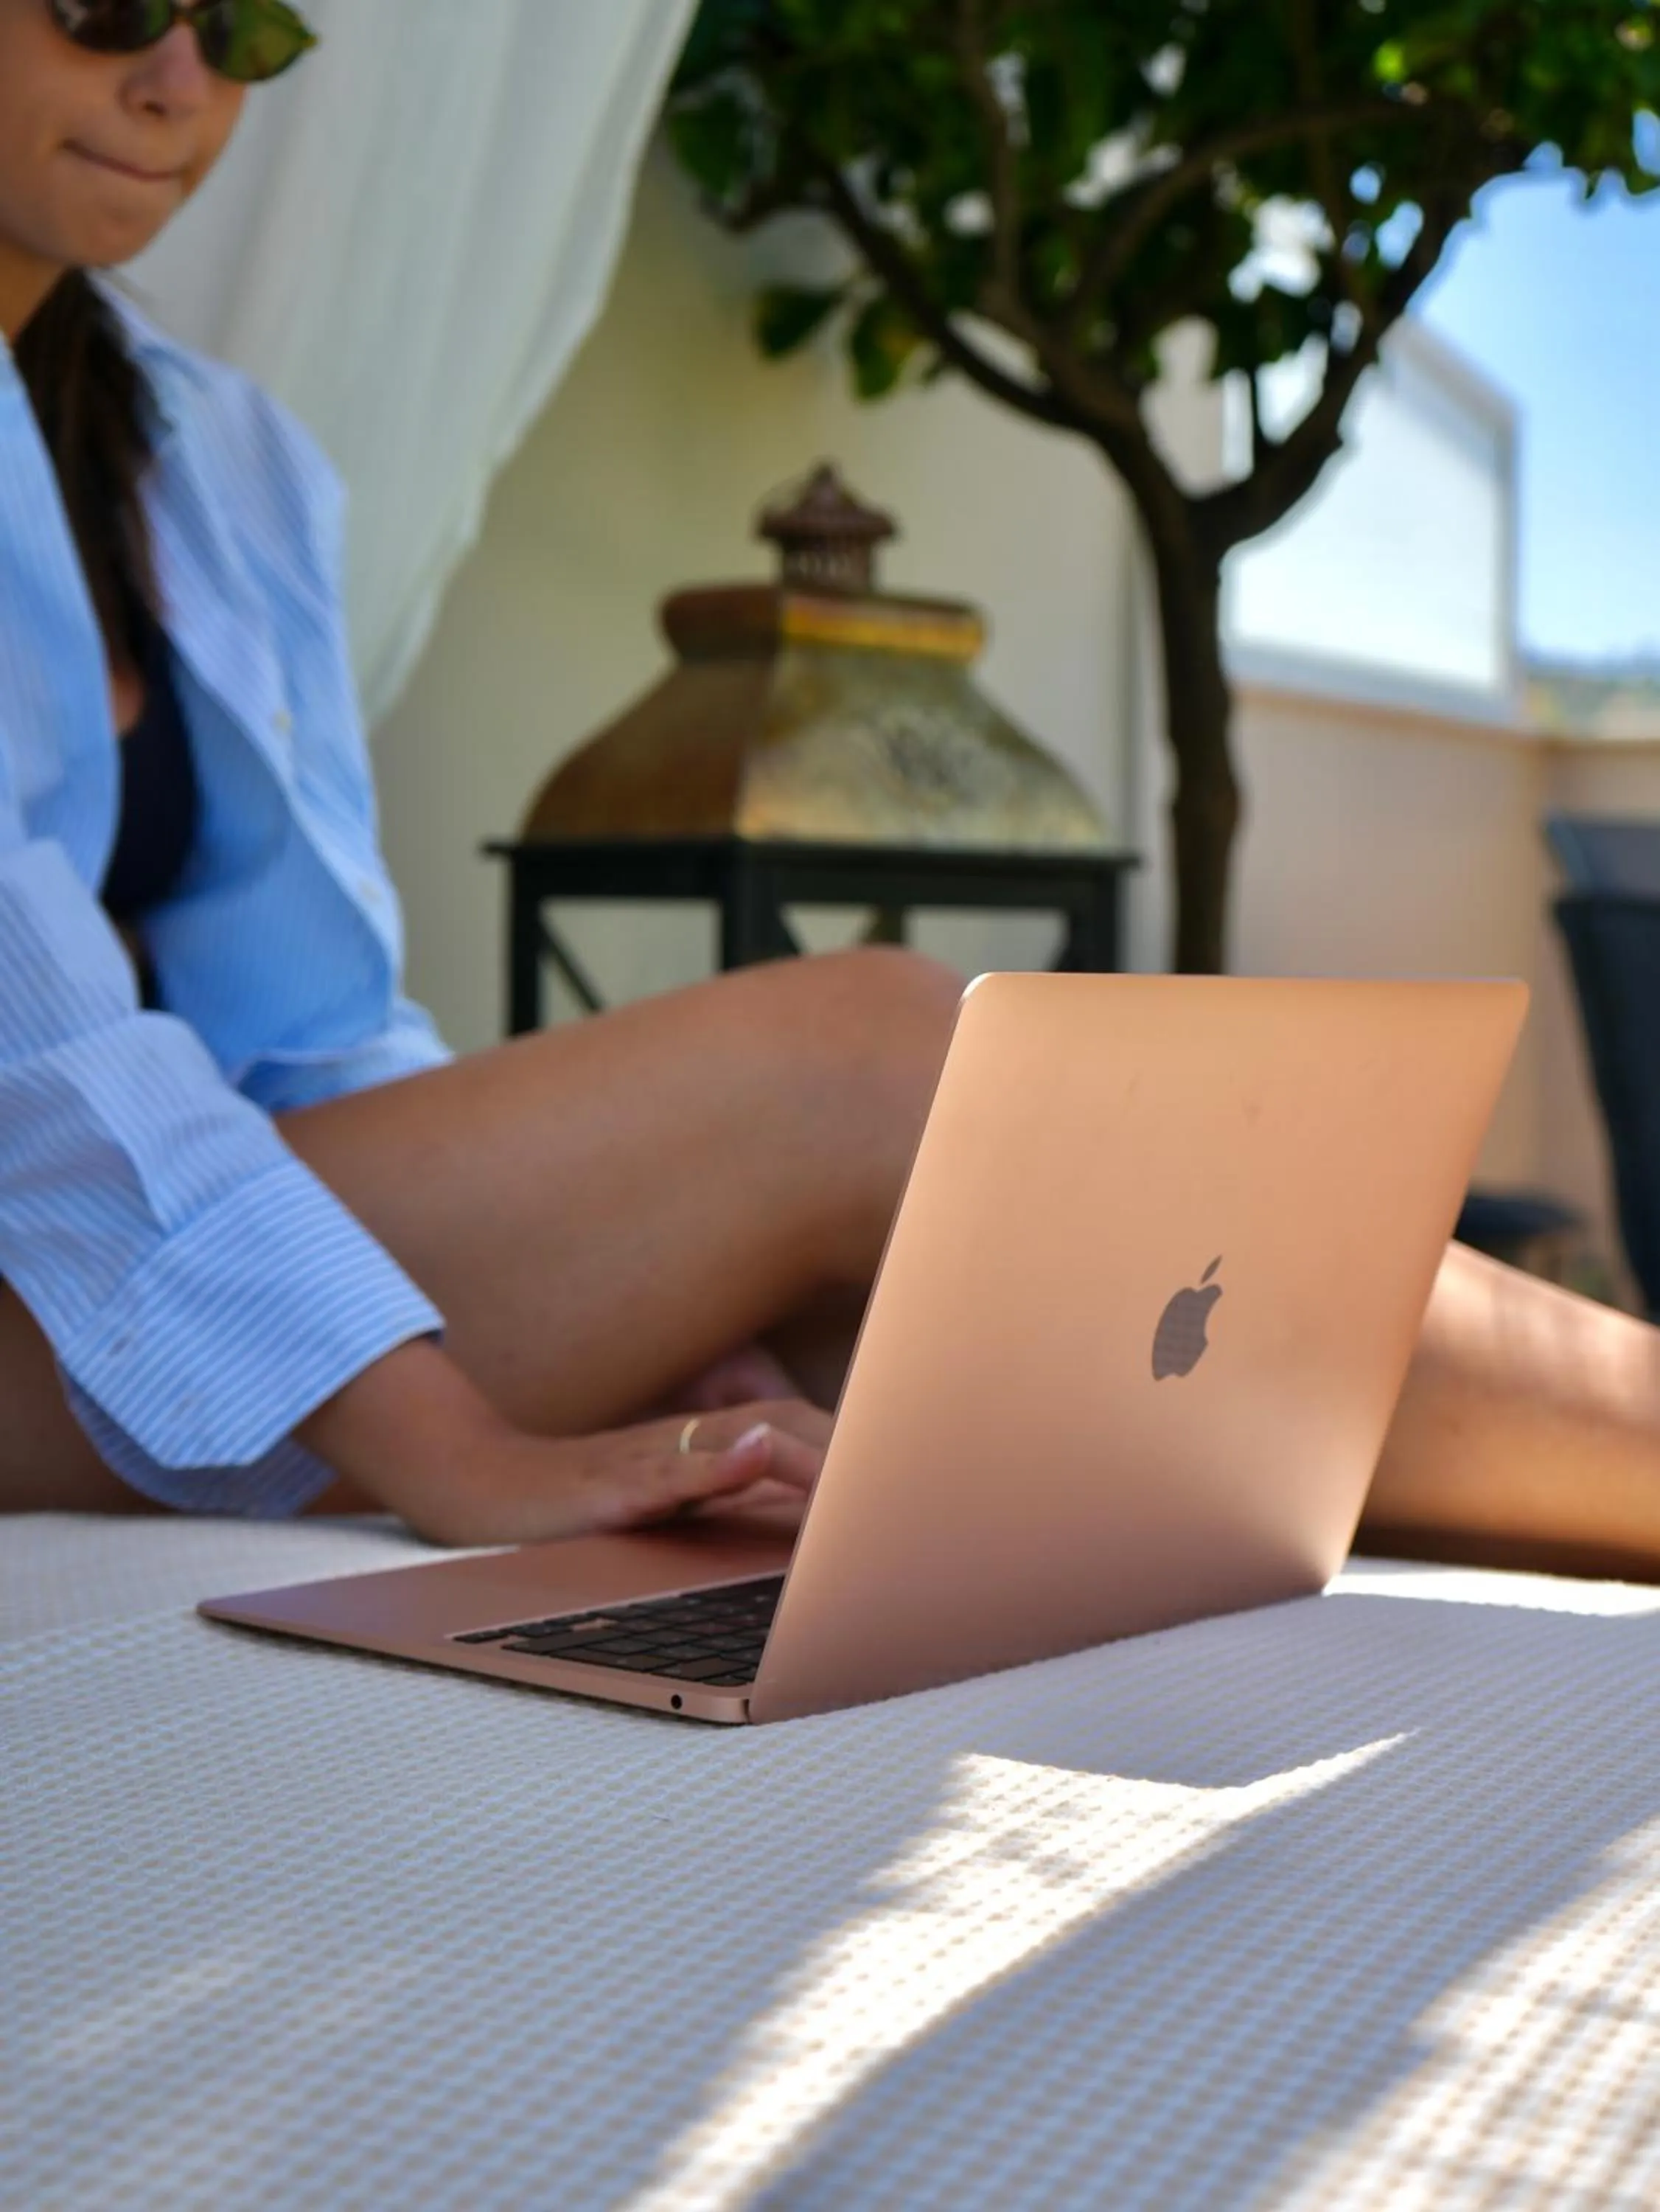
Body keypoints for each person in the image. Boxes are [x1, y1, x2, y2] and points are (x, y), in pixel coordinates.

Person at [4, 0, 1660, 1579]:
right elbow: (45, 1076)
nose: (178, 80)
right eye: (104, 8)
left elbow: (315, 1032)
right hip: (39, 1256)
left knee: (920, 1312)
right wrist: (463, 1441)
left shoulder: (210, 453)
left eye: (246, 30)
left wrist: (657, 1292)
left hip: (129, 1261)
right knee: (872, 1058)